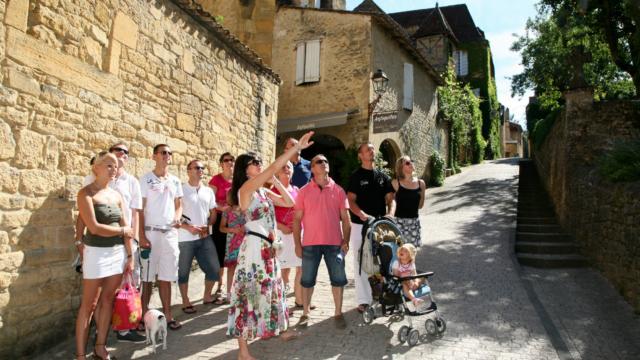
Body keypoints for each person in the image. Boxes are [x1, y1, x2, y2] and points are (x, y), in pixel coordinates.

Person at [227, 132, 313, 360]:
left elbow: (289, 202)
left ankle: (277, 329)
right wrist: (295, 150)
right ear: (245, 169)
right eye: (254, 163)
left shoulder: (262, 191)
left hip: (268, 249)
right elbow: (274, 167)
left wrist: (274, 182)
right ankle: (243, 352)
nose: (259, 164)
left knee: (271, 290)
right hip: (254, 249)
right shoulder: (245, 190)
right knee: (248, 295)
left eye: (259, 162)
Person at [78, 143, 145, 343]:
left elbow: (132, 216)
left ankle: (107, 340)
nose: (113, 168)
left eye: (115, 165)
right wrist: (77, 239)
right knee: (91, 302)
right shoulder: (87, 189)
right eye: (109, 163)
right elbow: (89, 222)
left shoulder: (125, 187)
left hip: (119, 250)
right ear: (96, 167)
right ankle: (85, 350)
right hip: (96, 251)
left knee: (110, 298)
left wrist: (132, 249)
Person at [293, 154, 351, 329]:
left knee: (338, 279)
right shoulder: (303, 191)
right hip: (310, 243)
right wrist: (297, 244)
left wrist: (346, 240)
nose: (324, 163)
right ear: (311, 168)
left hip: (334, 243)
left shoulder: (339, 190)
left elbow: (346, 219)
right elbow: (296, 220)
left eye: (326, 161)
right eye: (319, 161)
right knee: (307, 279)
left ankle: (338, 313)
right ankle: (305, 313)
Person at [139, 144, 183, 331]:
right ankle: (143, 316)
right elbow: (140, 209)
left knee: (166, 277)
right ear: (154, 156)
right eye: (163, 152)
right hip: (151, 232)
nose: (167, 155)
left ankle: (168, 315)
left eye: (169, 153)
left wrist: (178, 217)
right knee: (147, 278)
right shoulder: (145, 179)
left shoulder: (175, 181)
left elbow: (179, 205)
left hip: (170, 234)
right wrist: (141, 235)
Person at [347, 142, 396, 313]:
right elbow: (350, 200)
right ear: (360, 155)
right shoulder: (356, 176)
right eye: (367, 149)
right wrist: (361, 214)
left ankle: (386, 295)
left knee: (383, 260)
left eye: (373, 149)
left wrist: (391, 213)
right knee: (361, 261)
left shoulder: (382, 176)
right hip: (360, 226)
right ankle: (363, 300)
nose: (371, 151)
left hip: (380, 226)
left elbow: (391, 198)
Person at [177, 160, 220, 313]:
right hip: (185, 238)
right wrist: (188, 227)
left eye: (202, 167)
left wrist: (208, 227)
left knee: (215, 269)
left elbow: (213, 211)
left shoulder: (208, 191)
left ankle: (207, 296)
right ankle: (185, 300)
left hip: (204, 237)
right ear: (188, 170)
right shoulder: (180, 189)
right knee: (183, 272)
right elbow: (173, 213)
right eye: (196, 167)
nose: (200, 170)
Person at [271, 161, 303, 307]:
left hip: (297, 234)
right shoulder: (272, 190)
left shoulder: (297, 189)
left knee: (301, 266)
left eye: (289, 167)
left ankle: (300, 299)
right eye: (283, 167)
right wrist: (281, 226)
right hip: (281, 234)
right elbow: (268, 214)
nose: (286, 169)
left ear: (292, 172)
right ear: (277, 173)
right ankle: (281, 303)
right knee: (283, 269)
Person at [209, 152, 234, 299]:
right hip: (219, 219)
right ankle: (220, 285)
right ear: (221, 163)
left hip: (235, 220)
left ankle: (232, 286)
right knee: (220, 252)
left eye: (231, 160)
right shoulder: (216, 180)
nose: (229, 162)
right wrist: (221, 208)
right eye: (226, 160)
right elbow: (210, 202)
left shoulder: (237, 180)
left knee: (232, 252)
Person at [392, 156, 426, 247]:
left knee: (411, 254)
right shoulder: (395, 183)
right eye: (407, 163)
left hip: (414, 224)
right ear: (400, 168)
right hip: (398, 224)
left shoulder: (421, 183)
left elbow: (420, 205)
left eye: (411, 161)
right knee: (398, 252)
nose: (411, 163)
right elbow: (390, 203)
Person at [219, 201, 245, 305]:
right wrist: (233, 230)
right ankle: (229, 294)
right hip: (231, 244)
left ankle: (242, 294)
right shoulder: (227, 211)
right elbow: (221, 228)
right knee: (231, 268)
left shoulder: (246, 209)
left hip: (245, 242)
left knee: (244, 267)